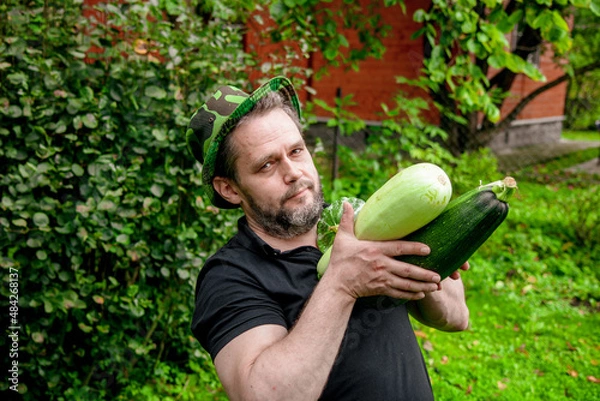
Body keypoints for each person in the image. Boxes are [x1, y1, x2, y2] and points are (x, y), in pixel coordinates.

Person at [187, 76, 470, 401]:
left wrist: (426, 259)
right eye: (267, 165)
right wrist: (341, 284)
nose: (293, 171)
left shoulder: (362, 220)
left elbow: (456, 316)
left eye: (296, 150)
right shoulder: (230, 277)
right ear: (230, 188)